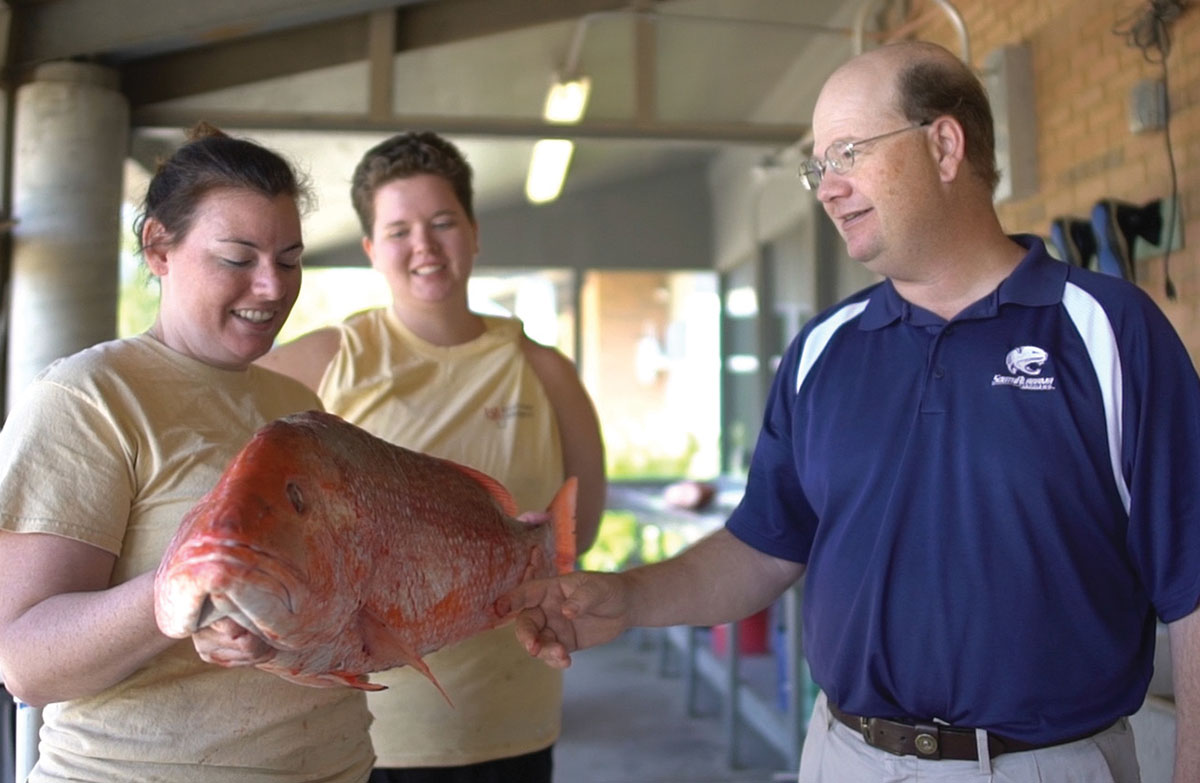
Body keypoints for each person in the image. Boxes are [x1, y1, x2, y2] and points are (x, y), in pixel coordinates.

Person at [499, 40, 1200, 783]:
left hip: (1044, 766)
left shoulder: (1106, 331)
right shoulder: (822, 351)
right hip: (844, 755)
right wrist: (628, 594)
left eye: (849, 153)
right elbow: (765, 545)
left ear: (945, 144)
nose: (826, 188)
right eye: (818, 166)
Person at [0, 125, 374, 782]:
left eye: (289, 259)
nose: (271, 286)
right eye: (238, 258)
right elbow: (25, 661)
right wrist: (187, 584)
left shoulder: (295, 404)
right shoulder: (90, 397)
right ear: (159, 247)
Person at [257, 130, 606, 783]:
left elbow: (576, 534)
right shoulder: (325, 360)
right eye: (399, 230)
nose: (423, 244)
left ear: (473, 232)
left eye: (443, 222)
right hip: (363, 731)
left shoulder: (546, 370)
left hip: (510, 720)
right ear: (370, 249)